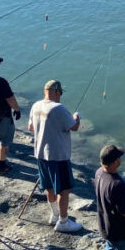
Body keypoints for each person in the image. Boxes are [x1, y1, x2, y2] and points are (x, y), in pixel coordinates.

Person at [28, 79, 82, 233]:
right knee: (63, 190)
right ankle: (63, 222)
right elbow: (74, 127)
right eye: (61, 93)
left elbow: (31, 127)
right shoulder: (58, 108)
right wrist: (77, 117)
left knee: (49, 187)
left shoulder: (36, 105)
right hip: (58, 156)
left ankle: (55, 215)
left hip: (40, 154)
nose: (61, 96)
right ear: (57, 92)